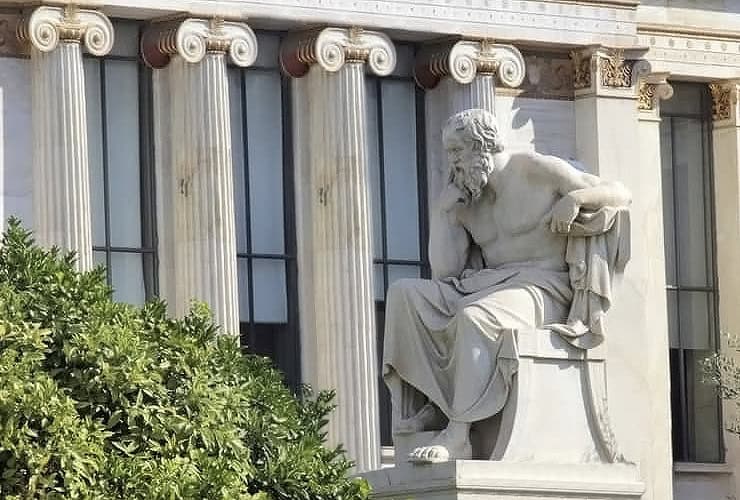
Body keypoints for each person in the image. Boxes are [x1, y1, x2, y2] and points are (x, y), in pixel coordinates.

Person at [382, 108, 631, 463]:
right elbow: (445, 273)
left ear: (480, 147)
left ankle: (458, 435)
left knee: (475, 318)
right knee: (405, 294)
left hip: (545, 287)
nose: (451, 163)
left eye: (456, 152)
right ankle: (436, 402)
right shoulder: (468, 196)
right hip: (489, 285)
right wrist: (443, 214)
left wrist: (575, 200)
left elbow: (619, 193)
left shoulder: (531, 169)